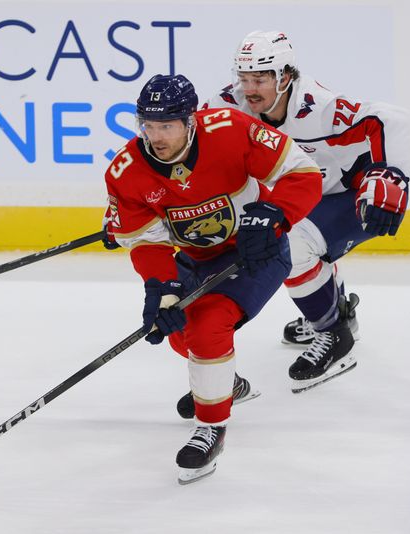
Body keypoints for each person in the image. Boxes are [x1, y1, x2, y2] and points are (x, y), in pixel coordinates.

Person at [102, 73, 321, 484]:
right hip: (195, 258)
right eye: (148, 126)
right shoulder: (126, 170)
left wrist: (275, 213)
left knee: (207, 326)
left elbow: (303, 172)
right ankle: (227, 384)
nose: (156, 136)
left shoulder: (231, 129)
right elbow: (147, 241)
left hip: (254, 255)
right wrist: (161, 287)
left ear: (191, 121)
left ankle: (211, 427)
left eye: (166, 126)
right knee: (177, 331)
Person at [204, 31, 410, 393]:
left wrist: (388, 175)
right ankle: (338, 314)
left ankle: (333, 335)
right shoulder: (228, 107)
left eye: (261, 78)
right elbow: (185, 145)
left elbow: (391, 121)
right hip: (309, 195)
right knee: (292, 235)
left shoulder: (319, 107)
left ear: (285, 76)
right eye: (244, 77)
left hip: (352, 195)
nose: (250, 88)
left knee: (293, 244)